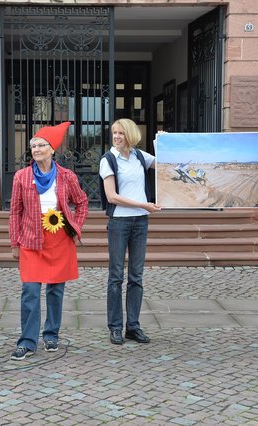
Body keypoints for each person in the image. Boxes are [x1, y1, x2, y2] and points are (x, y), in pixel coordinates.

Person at [9, 122, 89, 360]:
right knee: (30, 291)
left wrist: (76, 226)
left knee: (56, 290)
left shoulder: (67, 176)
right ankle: (27, 341)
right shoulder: (22, 177)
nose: (36, 149)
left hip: (59, 238)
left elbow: (82, 202)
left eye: (42, 145)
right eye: (33, 145)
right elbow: (15, 211)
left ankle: (51, 334)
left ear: (52, 149)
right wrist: (15, 242)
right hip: (31, 239)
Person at [99, 118, 161, 345]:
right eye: (114, 133)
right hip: (119, 222)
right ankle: (115, 327)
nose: (116, 137)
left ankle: (133, 326)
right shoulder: (108, 160)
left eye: (121, 133)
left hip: (140, 222)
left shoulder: (139, 156)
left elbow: (166, 164)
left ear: (130, 135)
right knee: (116, 277)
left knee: (136, 276)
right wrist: (144, 205)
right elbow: (112, 197)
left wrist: (162, 142)